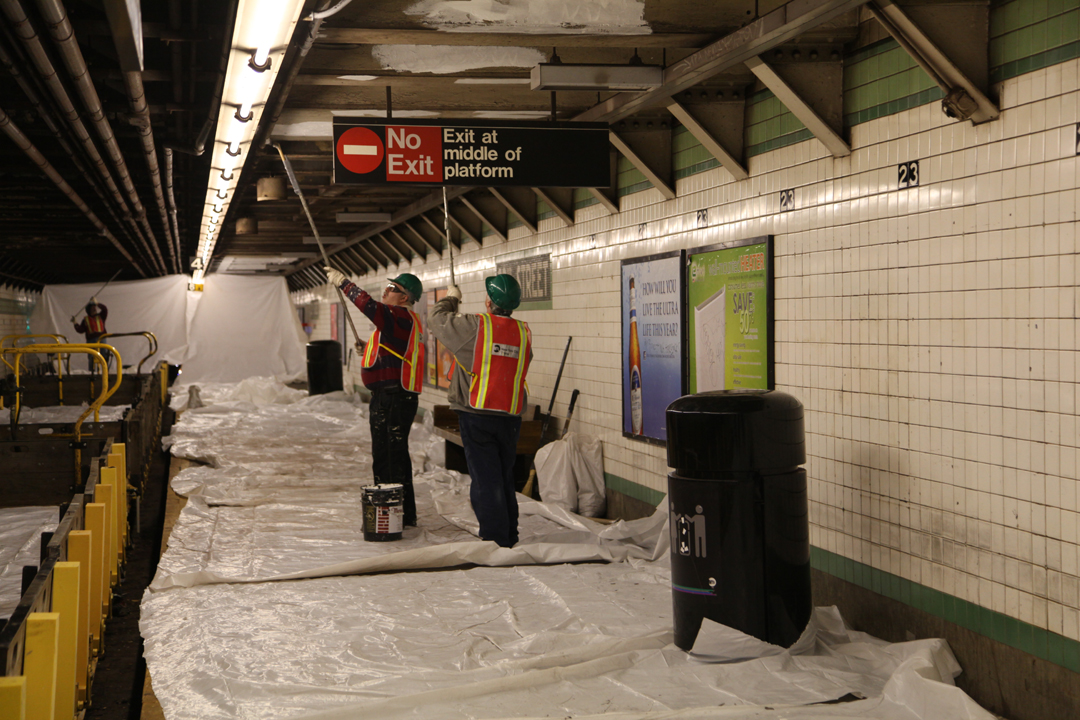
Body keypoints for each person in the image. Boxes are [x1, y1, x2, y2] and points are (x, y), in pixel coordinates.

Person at [428, 274, 532, 548]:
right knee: (503, 476)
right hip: (510, 417)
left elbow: (436, 320)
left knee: (486, 480)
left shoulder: (477, 327)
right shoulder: (523, 332)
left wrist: (452, 298)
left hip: (477, 414)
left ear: (488, 301)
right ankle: (510, 534)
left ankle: (494, 540)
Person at [325, 267, 424, 526]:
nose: (386, 291)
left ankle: (391, 516)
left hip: (392, 399)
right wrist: (369, 349)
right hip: (394, 397)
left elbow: (369, 306)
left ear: (404, 298)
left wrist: (345, 283)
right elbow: (393, 351)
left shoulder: (399, 316)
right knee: (395, 455)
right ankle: (404, 514)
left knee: (387, 457)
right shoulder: (399, 321)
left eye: (393, 289)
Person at [72, 297, 109, 372]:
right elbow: (81, 330)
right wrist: (75, 323)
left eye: (95, 307)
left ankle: (105, 371)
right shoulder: (86, 319)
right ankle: (91, 372)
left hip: (101, 339)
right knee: (91, 357)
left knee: (104, 356)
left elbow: (105, 309)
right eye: (93, 307)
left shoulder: (101, 316)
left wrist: (97, 303)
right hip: (91, 341)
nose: (95, 308)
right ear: (89, 310)